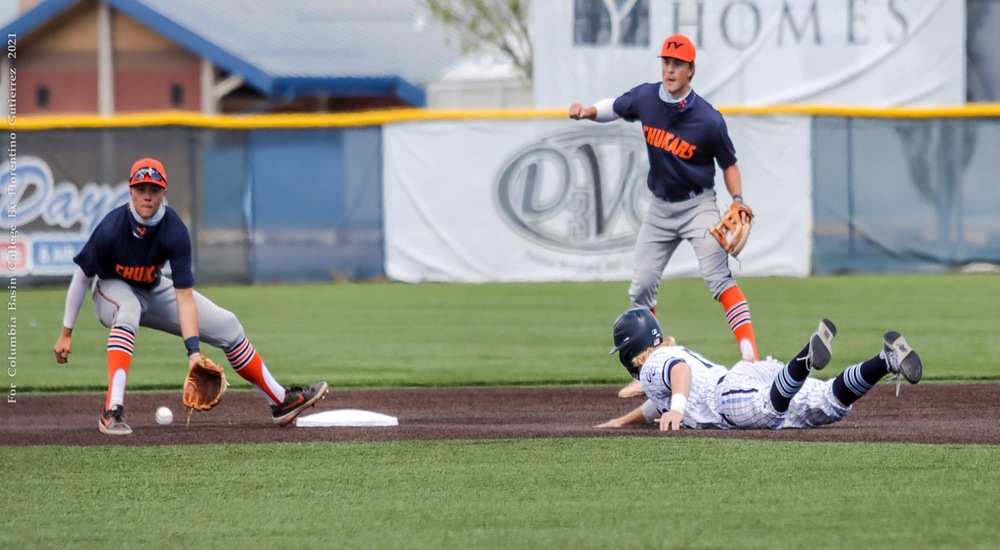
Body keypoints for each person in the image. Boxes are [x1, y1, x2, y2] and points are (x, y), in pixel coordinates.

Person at [53, 158, 328, 435]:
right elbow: (82, 276)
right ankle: (112, 411)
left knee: (228, 325)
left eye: (154, 189)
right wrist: (67, 332)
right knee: (128, 309)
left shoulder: (174, 230)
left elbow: (184, 296)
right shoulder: (112, 227)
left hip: (152, 287)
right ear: (130, 191)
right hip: (109, 289)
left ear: (164, 192)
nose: (147, 195)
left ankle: (280, 401)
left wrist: (193, 353)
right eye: (141, 189)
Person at [569, 33, 759, 398]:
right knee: (641, 285)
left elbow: (729, 163)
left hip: (698, 204)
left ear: (691, 70)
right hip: (660, 208)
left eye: (677, 64)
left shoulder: (708, 120)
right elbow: (617, 106)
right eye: (666, 62)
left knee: (718, 278)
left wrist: (737, 198)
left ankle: (750, 360)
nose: (670, 69)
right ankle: (649, 371)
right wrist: (589, 111)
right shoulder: (646, 97)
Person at [597, 308, 923, 431]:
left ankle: (806, 361)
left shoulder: (653, 364)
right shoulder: (665, 355)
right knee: (829, 405)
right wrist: (624, 420)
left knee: (769, 412)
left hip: (727, 397)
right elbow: (657, 402)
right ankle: (885, 360)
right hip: (748, 376)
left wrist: (678, 411)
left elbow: (679, 372)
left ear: (628, 350)